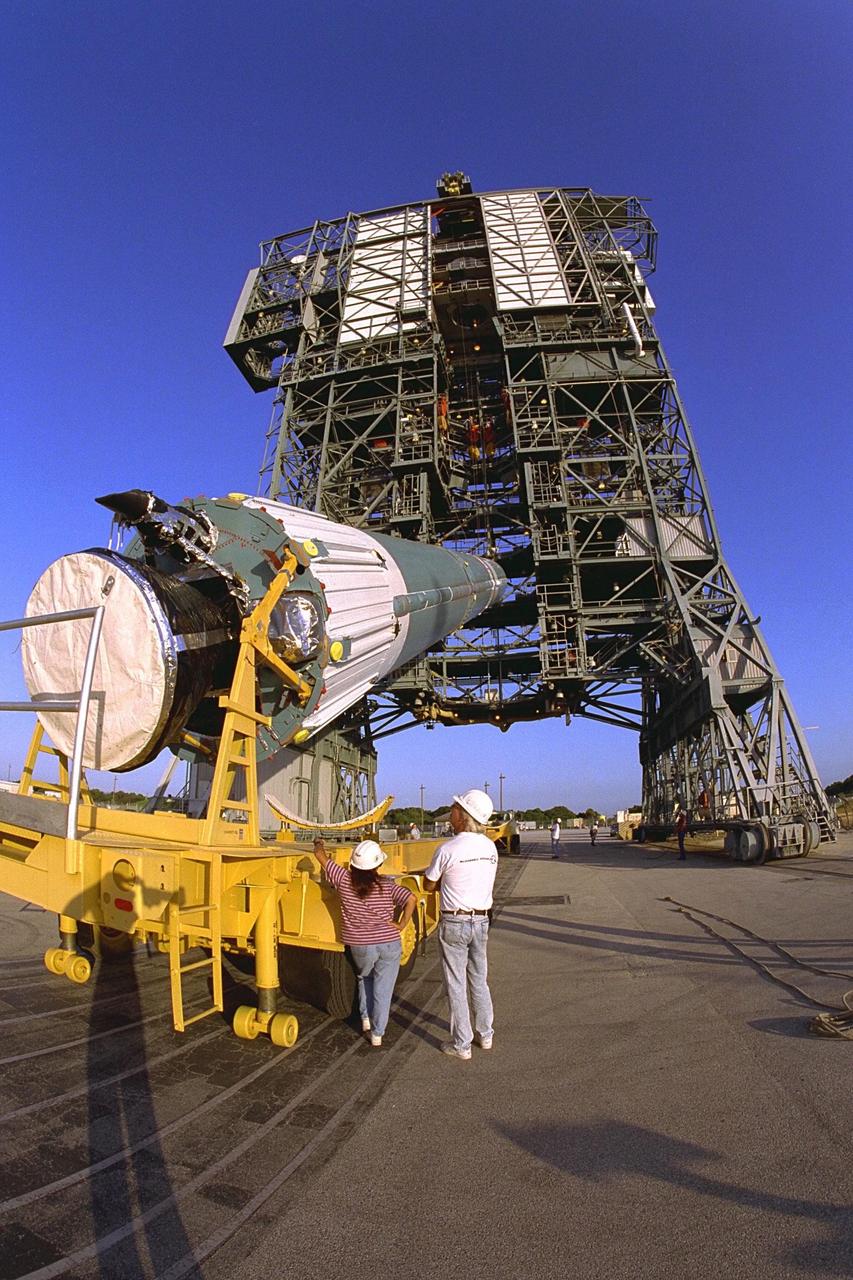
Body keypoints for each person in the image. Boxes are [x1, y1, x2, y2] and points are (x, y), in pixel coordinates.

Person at [313, 837, 416, 1046]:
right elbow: (411, 898)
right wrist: (402, 923)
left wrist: (319, 843)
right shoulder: (387, 886)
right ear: (378, 865)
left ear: (354, 863)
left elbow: (319, 856)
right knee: (383, 989)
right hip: (388, 942)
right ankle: (377, 1034)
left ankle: (366, 1019)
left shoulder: (342, 879)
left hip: (360, 945)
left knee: (364, 978)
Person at [423, 789, 498, 1061]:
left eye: (455, 808)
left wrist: (444, 881)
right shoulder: (490, 847)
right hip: (481, 920)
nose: (451, 811)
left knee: (456, 984)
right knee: (479, 979)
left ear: (463, 816)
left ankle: (462, 1045)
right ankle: (486, 1034)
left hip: (454, 922)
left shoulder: (447, 849)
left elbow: (429, 884)